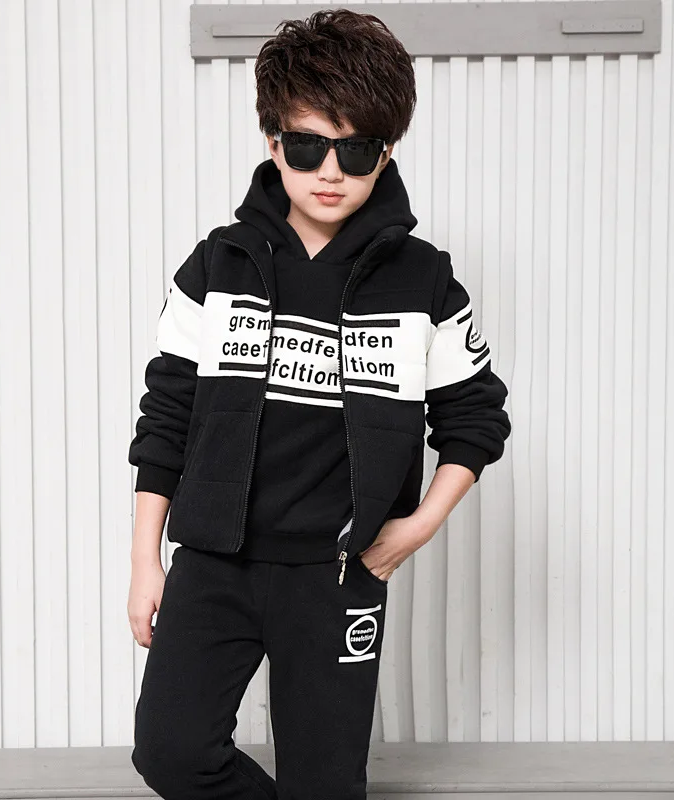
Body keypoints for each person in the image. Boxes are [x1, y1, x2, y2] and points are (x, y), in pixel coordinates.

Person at [127, 8, 511, 799]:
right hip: (214, 565)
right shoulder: (216, 266)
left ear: (385, 151)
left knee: (325, 787)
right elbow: (166, 415)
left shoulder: (424, 282)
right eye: (307, 145)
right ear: (273, 143)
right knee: (171, 753)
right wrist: (145, 560)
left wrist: (416, 528)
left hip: (338, 577)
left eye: (356, 149)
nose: (329, 171)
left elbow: (475, 418)